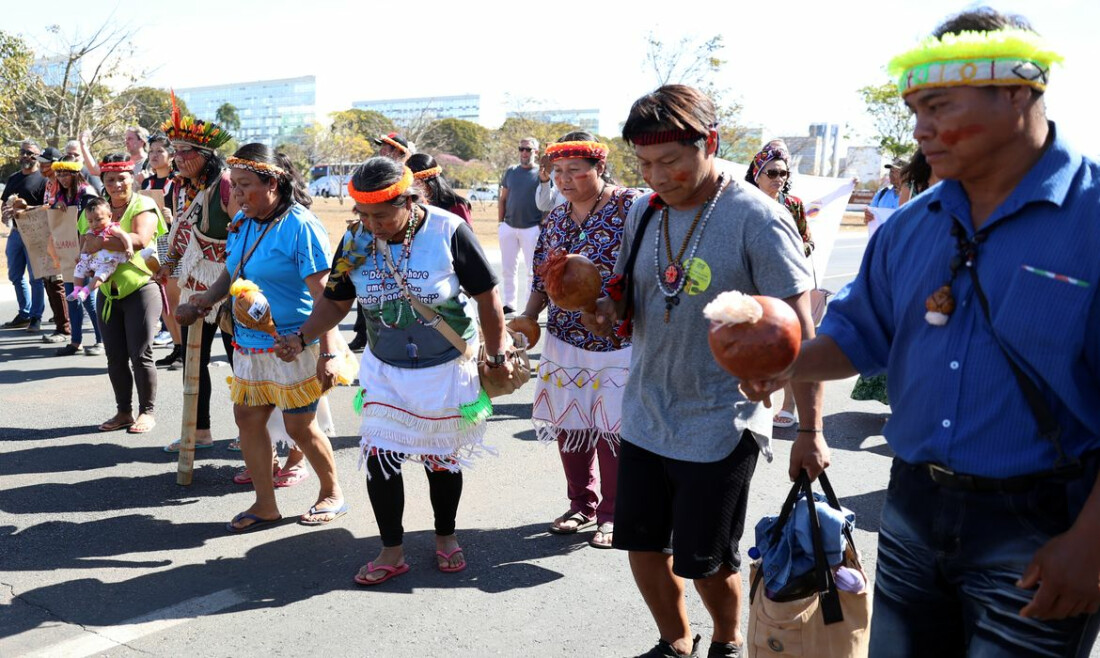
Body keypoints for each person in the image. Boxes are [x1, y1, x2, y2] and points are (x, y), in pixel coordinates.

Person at [742, 9, 1100, 655]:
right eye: (914, 110)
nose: (919, 129)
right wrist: (782, 364)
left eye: (937, 106)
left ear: (1017, 91)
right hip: (911, 511)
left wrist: (1092, 544)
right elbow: (857, 338)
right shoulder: (911, 226)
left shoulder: (1092, 218)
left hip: (1046, 524)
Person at [581, 84, 826, 658]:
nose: (656, 176)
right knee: (642, 546)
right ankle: (675, 642)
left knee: (707, 561)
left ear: (709, 142)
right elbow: (629, 296)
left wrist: (810, 431)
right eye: (644, 163)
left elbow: (802, 332)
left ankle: (726, 641)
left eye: (669, 160)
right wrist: (604, 309)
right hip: (646, 412)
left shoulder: (757, 219)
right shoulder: (643, 210)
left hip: (722, 420)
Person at [284, 156, 511, 584]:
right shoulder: (355, 240)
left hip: (444, 368)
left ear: (409, 201)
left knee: (440, 459)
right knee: (380, 457)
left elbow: (487, 297)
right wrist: (301, 337)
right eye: (364, 215)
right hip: (385, 369)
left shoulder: (448, 230)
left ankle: (445, 536)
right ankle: (391, 550)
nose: (373, 226)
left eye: (382, 216)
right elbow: (335, 302)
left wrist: (497, 353)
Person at [176, 143, 346, 532]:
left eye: (245, 185)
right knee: (248, 419)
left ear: (273, 183)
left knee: (299, 426)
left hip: (296, 344)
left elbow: (326, 297)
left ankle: (332, 493)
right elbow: (231, 272)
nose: (236, 194)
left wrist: (327, 353)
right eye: (234, 185)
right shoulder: (244, 221)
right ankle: (265, 504)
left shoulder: (300, 226)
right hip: (250, 344)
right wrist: (205, 300)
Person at [520, 133, 639, 549]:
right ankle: (581, 504)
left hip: (619, 339)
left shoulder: (631, 206)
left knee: (612, 430)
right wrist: (528, 317)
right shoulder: (555, 218)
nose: (564, 179)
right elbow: (542, 277)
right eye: (557, 172)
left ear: (599, 168)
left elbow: (652, 267)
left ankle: (614, 513)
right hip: (565, 338)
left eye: (574, 170)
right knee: (571, 424)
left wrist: (616, 305)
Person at [157, 110, 239, 450]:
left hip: (230, 283)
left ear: (205, 154)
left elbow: (244, 235)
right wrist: (168, 263)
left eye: (184, 151)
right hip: (196, 280)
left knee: (239, 359)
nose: (177, 158)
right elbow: (181, 230)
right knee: (194, 358)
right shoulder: (184, 186)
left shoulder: (226, 185)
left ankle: (250, 431)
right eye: (174, 151)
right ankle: (199, 430)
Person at [86, 153, 168, 434]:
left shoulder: (143, 204)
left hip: (141, 288)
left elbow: (140, 239)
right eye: (110, 180)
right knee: (115, 357)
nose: (117, 184)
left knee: (141, 354)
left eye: (122, 178)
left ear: (132, 178)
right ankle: (124, 412)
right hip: (107, 292)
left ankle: (147, 412)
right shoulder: (97, 208)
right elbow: (84, 242)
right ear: (103, 181)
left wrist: (100, 241)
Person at [742, 143, 814, 430]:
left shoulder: (793, 204)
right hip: (750, 286)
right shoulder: (741, 202)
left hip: (785, 285)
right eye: (772, 172)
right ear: (757, 174)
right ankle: (755, 404)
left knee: (790, 344)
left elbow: (808, 241)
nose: (779, 178)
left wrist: (790, 253)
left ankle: (789, 406)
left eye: (783, 173)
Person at [51, 155, 103, 356]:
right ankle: (75, 342)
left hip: (86, 251)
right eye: (59, 174)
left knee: (88, 299)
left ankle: (102, 340)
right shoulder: (61, 195)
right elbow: (56, 219)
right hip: (68, 252)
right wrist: (57, 207)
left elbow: (95, 224)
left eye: (66, 174)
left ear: (76, 174)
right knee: (72, 298)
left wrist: (86, 253)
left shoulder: (87, 195)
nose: (62, 178)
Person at [142, 134, 182, 361]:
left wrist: (172, 217)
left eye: (160, 151)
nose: (154, 155)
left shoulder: (178, 182)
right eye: (151, 151)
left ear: (172, 155)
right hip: (153, 242)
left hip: (172, 242)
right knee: (163, 299)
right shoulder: (146, 184)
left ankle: (184, 347)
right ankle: (176, 346)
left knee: (174, 298)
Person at [2, 141, 46, 331]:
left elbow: (48, 207)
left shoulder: (43, 179)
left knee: (36, 277)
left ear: (38, 156)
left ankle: (36, 316)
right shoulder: (13, 178)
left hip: (36, 233)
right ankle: (24, 314)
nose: (26, 155)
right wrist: (5, 213)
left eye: (30, 152)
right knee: (14, 275)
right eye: (23, 152)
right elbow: (5, 203)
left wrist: (26, 209)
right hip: (16, 233)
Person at [497, 136, 542, 315]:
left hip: (531, 228)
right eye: (521, 149)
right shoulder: (511, 171)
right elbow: (503, 198)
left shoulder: (542, 173)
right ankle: (509, 304)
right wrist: (500, 223)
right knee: (508, 269)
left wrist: (542, 223)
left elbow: (547, 199)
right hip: (508, 226)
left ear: (535, 152)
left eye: (528, 149)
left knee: (532, 271)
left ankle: (529, 309)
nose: (524, 152)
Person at [67, 197, 132, 302]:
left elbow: (124, 236)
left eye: (98, 220)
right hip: (93, 259)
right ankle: (77, 289)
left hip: (107, 261)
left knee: (100, 276)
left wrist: (129, 248)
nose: (94, 224)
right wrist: (81, 254)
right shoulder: (91, 231)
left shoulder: (111, 228)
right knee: (79, 268)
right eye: (90, 221)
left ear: (110, 216)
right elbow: (86, 244)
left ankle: (87, 290)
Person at [407, 153, 472, 225]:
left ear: (422, 181)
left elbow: (464, 231)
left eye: (414, 182)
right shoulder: (411, 205)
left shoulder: (457, 206)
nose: (410, 186)